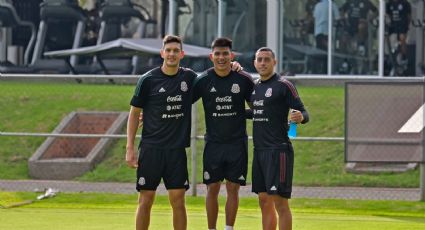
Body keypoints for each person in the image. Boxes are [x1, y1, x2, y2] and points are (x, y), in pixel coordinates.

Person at [126, 35, 196, 230]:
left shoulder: (189, 78)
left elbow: (213, 81)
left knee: (178, 201)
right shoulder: (148, 79)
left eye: (176, 50)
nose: (172, 54)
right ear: (162, 53)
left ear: (182, 54)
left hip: (176, 151)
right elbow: (134, 114)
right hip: (151, 149)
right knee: (146, 200)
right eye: (169, 50)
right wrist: (130, 148)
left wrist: (235, 68)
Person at [192, 37, 254, 230]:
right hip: (214, 143)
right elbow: (182, 105)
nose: (221, 57)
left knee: (233, 189)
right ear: (211, 56)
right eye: (217, 54)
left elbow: (258, 108)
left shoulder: (243, 79)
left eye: (225, 53)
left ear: (232, 55)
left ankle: (229, 228)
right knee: (212, 188)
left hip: (237, 143)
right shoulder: (203, 80)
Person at [250, 47, 309, 230]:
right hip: (259, 151)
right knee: (263, 200)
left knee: (280, 202)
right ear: (254, 62)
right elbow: (257, 112)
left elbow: (304, 112)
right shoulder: (255, 87)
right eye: (259, 59)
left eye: (267, 59)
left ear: (274, 62)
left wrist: (301, 117)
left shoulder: (284, 85)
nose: (263, 63)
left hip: (278, 151)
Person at [313, 0, 340, 74]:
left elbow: (315, 18)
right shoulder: (332, 5)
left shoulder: (317, 6)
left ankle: (317, 71)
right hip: (327, 32)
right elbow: (338, 18)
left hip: (318, 32)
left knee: (319, 53)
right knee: (327, 54)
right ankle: (326, 71)